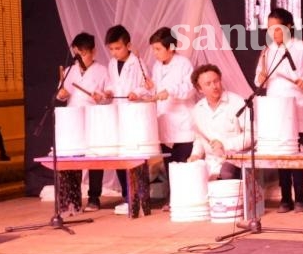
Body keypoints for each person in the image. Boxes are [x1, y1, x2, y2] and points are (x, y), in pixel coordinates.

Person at [254, 8, 303, 213]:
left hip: (295, 104)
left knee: (294, 152)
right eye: (269, 29)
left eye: (276, 29)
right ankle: (285, 196)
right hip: (274, 108)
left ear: (288, 27)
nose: (273, 33)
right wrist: (260, 79)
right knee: (280, 152)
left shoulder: (302, 48)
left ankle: (300, 195)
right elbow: (259, 78)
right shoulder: (268, 51)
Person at [56, 32, 109, 212]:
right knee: (74, 157)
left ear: (93, 52)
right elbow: (61, 92)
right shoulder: (71, 70)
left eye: (84, 54)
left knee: (94, 158)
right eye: (77, 54)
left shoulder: (102, 70)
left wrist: (100, 97)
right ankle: (74, 198)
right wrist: (61, 94)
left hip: (94, 118)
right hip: (73, 120)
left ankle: (94, 197)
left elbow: (109, 96)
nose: (80, 58)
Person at [100, 24, 149, 215]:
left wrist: (136, 93)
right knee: (119, 157)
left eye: (117, 48)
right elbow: (112, 84)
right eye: (111, 49)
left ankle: (137, 196)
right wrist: (108, 92)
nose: (114, 53)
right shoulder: (112, 65)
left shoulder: (138, 62)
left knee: (133, 158)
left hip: (134, 116)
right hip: (118, 115)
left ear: (128, 45)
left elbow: (147, 86)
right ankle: (126, 196)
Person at [146, 26, 196, 209]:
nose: (155, 53)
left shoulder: (184, 64)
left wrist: (171, 91)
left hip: (182, 123)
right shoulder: (157, 66)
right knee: (169, 164)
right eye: (154, 49)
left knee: (182, 164)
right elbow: (157, 90)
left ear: (171, 47)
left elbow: (190, 89)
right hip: (165, 123)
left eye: (158, 49)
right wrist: (151, 87)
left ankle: (184, 199)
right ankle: (173, 198)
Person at [187, 64, 252, 180]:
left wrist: (225, 144)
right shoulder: (198, 109)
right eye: (208, 84)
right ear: (200, 89)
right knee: (190, 176)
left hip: (233, 159)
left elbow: (252, 135)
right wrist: (195, 155)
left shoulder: (237, 102)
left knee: (226, 173)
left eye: (216, 81)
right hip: (210, 163)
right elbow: (199, 140)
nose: (214, 86)